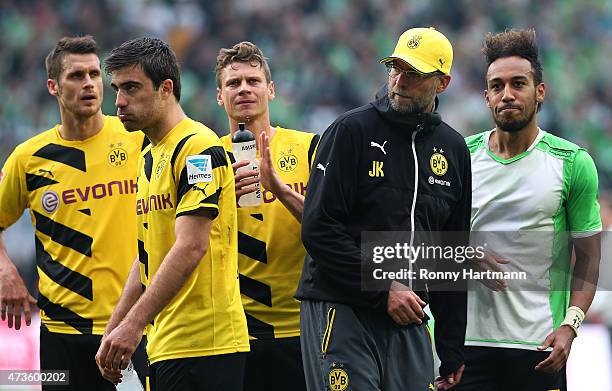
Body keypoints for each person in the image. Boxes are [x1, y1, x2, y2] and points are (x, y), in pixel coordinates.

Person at [296, 27, 471, 390]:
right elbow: (318, 229)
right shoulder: (349, 131)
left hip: (409, 317)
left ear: (442, 83)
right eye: (395, 68)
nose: (400, 81)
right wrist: (383, 287)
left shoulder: (454, 150)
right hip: (342, 309)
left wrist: (452, 346)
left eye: (414, 73)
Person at [95, 37, 249, 391]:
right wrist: (114, 327)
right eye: (116, 89)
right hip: (166, 343)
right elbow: (149, 252)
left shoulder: (197, 148)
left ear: (166, 88)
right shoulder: (148, 156)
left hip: (206, 345)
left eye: (131, 88)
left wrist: (133, 325)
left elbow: (191, 246)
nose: (118, 101)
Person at [457, 29, 602, 391]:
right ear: (486, 96)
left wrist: (571, 324)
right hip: (466, 345)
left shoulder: (572, 162)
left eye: (518, 83)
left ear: (539, 92)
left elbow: (589, 257)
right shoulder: (458, 158)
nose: (507, 94)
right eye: (497, 86)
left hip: (539, 346)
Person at [0, 36, 148, 390]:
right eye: (76, 76)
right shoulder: (29, 158)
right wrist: (5, 271)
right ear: (53, 86)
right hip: (60, 335)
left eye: (95, 74)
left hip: (130, 328)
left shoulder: (138, 139)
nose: (89, 84)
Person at [215, 41, 319, 391]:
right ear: (219, 96)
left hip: (303, 327)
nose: (243, 88)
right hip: (234, 333)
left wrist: (278, 187)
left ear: (270, 90)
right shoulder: (204, 157)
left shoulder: (310, 147)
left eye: (253, 80)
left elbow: (332, 231)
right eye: (233, 83)